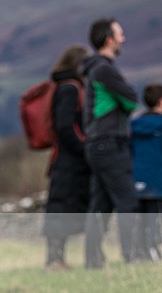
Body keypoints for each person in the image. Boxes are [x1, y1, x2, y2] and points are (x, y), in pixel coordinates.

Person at [81, 18, 139, 268]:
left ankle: (92, 260)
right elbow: (131, 100)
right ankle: (132, 255)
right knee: (127, 200)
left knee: (101, 204)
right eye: (120, 34)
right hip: (109, 143)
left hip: (97, 145)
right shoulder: (105, 69)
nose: (123, 38)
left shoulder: (95, 69)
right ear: (109, 40)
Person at [42, 45, 91, 270]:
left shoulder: (63, 86)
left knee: (62, 208)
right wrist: (83, 148)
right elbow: (65, 125)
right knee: (62, 209)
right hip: (69, 161)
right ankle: (55, 259)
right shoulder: (70, 89)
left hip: (66, 159)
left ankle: (57, 258)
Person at [131, 83, 162, 261]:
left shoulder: (133, 125)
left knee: (140, 220)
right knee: (155, 219)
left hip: (136, 180)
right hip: (158, 182)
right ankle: (152, 251)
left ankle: (140, 252)